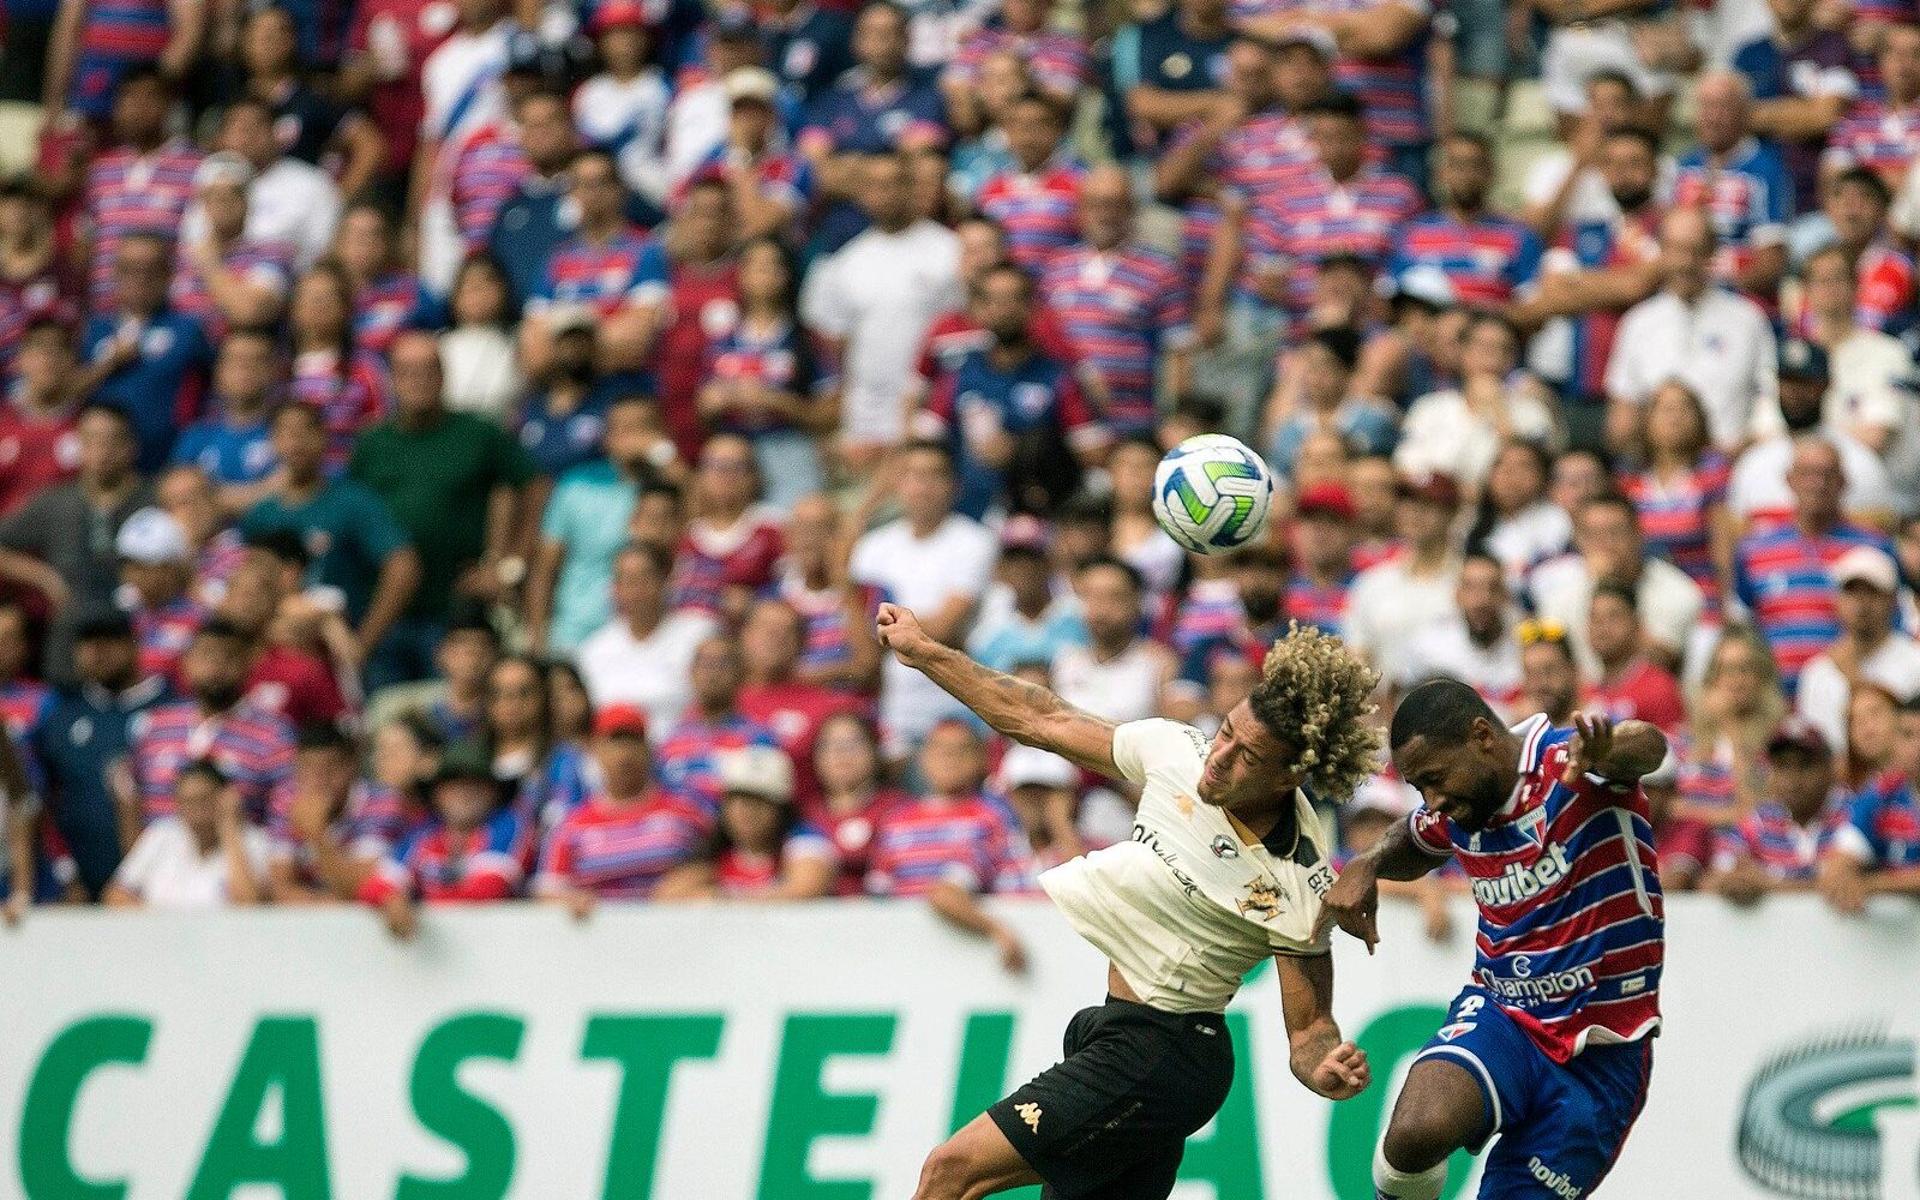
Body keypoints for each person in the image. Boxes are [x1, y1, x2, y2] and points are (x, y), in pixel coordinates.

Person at [880, 607, 1376, 1200]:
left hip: (1165, 1055)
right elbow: (1042, 716)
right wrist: (927, 651)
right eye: (1226, 732)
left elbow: (1310, 1029)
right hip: (1114, 1030)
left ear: (1290, 776)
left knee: (951, 1172)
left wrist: (1323, 1066)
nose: (1218, 758)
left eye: (1246, 756)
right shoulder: (1177, 750)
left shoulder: (1298, 879)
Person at [1323, 680, 1666, 1200]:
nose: (1433, 799)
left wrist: (1609, 750)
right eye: (1420, 788)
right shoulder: (1461, 804)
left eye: (1435, 780)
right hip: (1504, 1014)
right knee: (1415, 1134)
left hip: (1603, 1052)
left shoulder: (1570, 763)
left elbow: (1648, 747)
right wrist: (1367, 864)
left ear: (1482, 736)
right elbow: (1413, 837)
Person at [349, 329, 537, 690]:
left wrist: (511, 562)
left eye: (429, 370)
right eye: (407, 372)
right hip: (387, 613)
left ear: (444, 376)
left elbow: (534, 486)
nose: (418, 381)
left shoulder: (477, 433)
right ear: (391, 380)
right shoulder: (372, 444)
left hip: (456, 614)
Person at [801, 153, 963, 467]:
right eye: (874, 185)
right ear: (862, 193)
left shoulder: (949, 250)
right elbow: (836, 342)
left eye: (893, 183)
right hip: (866, 418)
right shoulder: (847, 261)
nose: (884, 193)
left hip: (934, 413)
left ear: (913, 187)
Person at [850, 441, 999, 759]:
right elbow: (857, 626)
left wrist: (883, 629)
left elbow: (945, 626)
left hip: (956, 703)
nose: (923, 486)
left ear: (954, 486)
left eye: (934, 475)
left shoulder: (974, 541)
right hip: (896, 706)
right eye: (913, 475)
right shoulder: (874, 546)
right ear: (899, 484)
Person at [1604, 208, 1776, 453]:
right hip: (1658, 472)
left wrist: (1742, 451)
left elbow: (1769, 400)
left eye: (1694, 250)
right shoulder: (1638, 323)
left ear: (1712, 252)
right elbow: (1622, 417)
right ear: (1661, 251)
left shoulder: (1748, 319)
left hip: (1732, 465)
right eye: (1675, 250)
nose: (1685, 263)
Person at [28, 610, 171, 898]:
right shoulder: (62, 715)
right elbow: (39, 799)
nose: (96, 652)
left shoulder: (171, 707)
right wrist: (64, 872)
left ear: (133, 644)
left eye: (108, 642)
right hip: (79, 882)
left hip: (158, 882)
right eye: (87, 643)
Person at [534, 704, 713, 912]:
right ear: (596, 751)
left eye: (632, 742)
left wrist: (693, 877)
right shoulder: (571, 825)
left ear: (647, 749)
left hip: (673, 930)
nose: (624, 754)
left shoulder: (685, 812)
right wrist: (570, 900)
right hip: (600, 937)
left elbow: (720, 863)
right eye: (614, 743)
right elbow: (547, 888)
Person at [357, 739, 532, 936]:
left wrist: (414, 907)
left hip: (503, 950)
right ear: (436, 793)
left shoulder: (508, 825)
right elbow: (375, 886)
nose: (464, 793)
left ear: (495, 792)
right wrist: (391, 898)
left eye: (476, 784)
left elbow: (487, 891)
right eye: (453, 785)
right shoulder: (424, 831)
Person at [656, 744, 837, 899]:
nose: (745, 811)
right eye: (736, 799)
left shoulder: (806, 840)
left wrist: (723, 900)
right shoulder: (714, 851)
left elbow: (805, 888)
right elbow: (667, 895)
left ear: (782, 808)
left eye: (758, 800)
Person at [576, 542, 720, 731]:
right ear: (615, 589)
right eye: (627, 580)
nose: (637, 589)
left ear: (666, 580)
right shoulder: (593, 650)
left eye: (645, 578)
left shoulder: (701, 634)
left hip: (688, 748)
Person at [1704, 717, 1848, 903]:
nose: (1792, 779)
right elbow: (1711, 881)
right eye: (1782, 766)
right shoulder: (1759, 820)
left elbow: (1849, 885)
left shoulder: (1852, 814)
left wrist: (1769, 885)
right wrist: (1736, 882)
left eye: (1805, 765)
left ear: (1830, 769)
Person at [1794, 545, 1920, 753]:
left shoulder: (1915, 662)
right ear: (1837, 601)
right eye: (1851, 592)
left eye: (1872, 592)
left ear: (1892, 600)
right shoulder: (1816, 672)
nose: (1862, 603)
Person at [103, 759, 268, 908]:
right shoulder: (161, 835)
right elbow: (115, 894)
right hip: (162, 938)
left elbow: (248, 906)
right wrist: (157, 925)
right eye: (187, 802)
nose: (195, 811)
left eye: (203, 800)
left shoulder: (254, 841)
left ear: (225, 797)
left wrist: (230, 831)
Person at [1820, 695, 1920, 910]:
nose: (1917, 747)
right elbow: (1840, 857)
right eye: (1908, 735)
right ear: (1895, 741)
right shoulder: (1884, 793)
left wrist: (1872, 884)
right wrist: (1842, 873)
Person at [1396, 554, 1523, 716]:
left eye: (1492, 588)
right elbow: (1397, 692)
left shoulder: (1526, 645)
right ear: (1457, 595)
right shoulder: (1428, 646)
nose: (1483, 600)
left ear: (1505, 595)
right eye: (1472, 588)